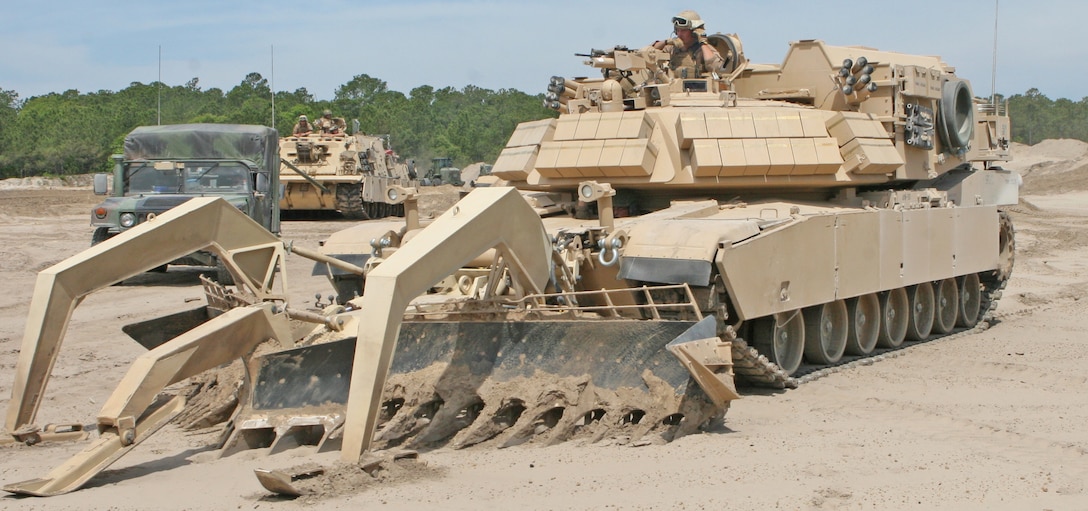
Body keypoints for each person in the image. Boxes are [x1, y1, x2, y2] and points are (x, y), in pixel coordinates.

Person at [651, 10, 726, 79]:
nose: (679, 34)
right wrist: (666, 42)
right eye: (677, 30)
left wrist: (703, 42)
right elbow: (649, 52)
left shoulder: (704, 50)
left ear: (694, 32)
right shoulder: (672, 48)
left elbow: (717, 68)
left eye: (683, 30)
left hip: (697, 91)